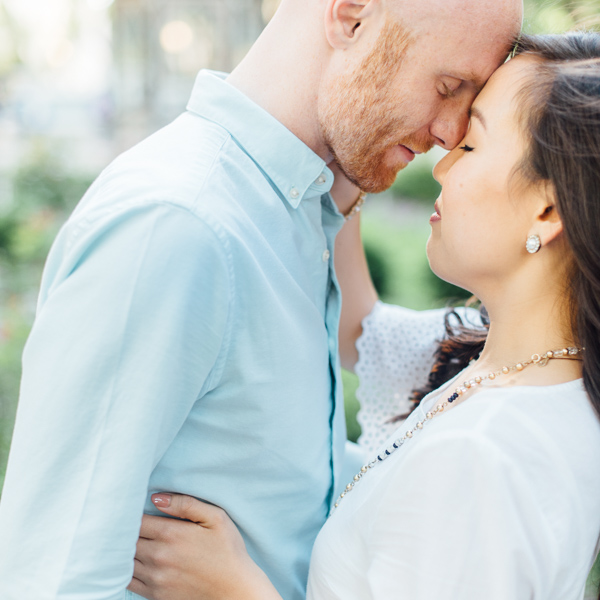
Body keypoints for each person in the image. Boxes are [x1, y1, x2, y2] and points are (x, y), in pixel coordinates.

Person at [0, 1, 522, 599]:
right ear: (350, 17)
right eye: (449, 86)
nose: (453, 133)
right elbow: (53, 578)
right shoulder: (179, 228)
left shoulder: (300, 216)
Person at [127, 32, 600, 600]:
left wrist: (233, 590)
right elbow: (363, 327)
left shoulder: (481, 458)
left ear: (547, 208)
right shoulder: (520, 377)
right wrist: (356, 138)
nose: (443, 161)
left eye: (470, 145)